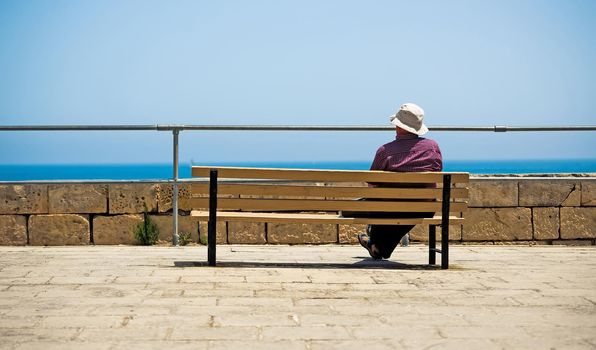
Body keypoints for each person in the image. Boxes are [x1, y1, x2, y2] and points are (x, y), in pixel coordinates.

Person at [358, 103, 443, 259]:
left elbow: (371, 182)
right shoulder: (432, 147)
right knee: (403, 209)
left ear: (398, 126)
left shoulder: (385, 151)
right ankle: (378, 246)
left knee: (376, 203)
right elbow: (437, 172)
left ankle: (376, 244)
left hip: (388, 207)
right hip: (424, 206)